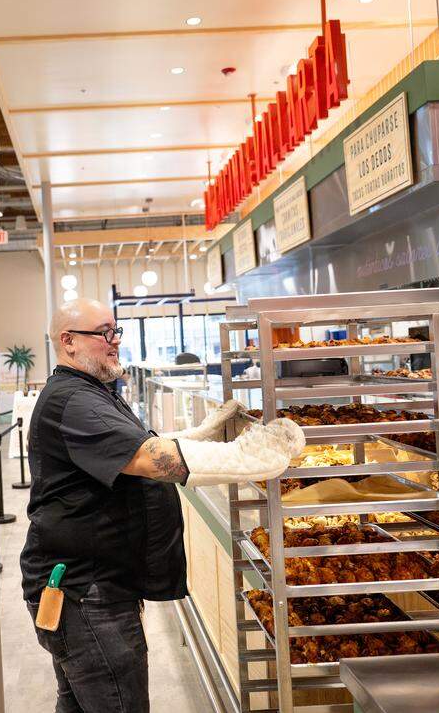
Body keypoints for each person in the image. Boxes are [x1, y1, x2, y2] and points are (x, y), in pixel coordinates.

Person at [20, 297, 304, 713]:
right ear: (68, 342)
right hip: (86, 596)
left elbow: (132, 447)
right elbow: (150, 459)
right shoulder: (73, 401)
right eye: (104, 333)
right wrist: (251, 456)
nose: (114, 341)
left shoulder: (93, 392)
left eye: (115, 331)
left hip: (88, 588)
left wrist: (202, 433)